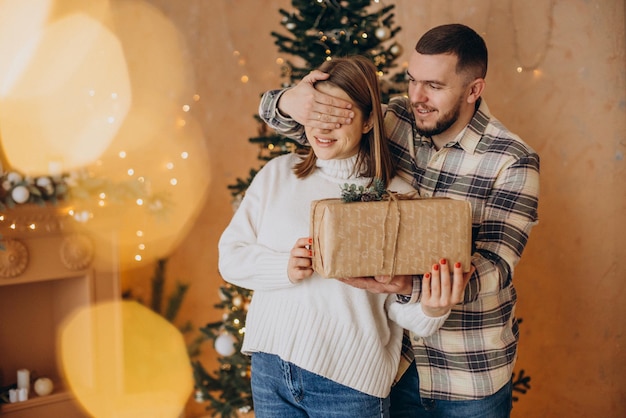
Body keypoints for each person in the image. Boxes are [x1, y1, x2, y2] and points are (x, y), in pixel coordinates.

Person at [257, 24, 540, 418]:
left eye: (435, 86)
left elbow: (496, 267)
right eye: (412, 80)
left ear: (474, 90)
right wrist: (292, 99)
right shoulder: (392, 119)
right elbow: (306, 127)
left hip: (467, 373)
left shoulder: (511, 160)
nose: (417, 97)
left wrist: (414, 285)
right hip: (396, 368)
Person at [219, 55, 472, 418]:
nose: (324, 126)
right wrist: (284, 268)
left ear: (370, 120)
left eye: (340, 114)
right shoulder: (278, 174)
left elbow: (404, 308)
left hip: (348, 385)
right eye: (318, 113)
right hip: (270, 371)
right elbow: (230, 258)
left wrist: (433, 307)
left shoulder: (396, 196)